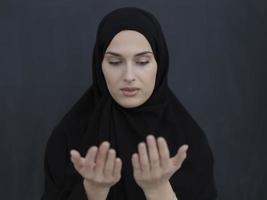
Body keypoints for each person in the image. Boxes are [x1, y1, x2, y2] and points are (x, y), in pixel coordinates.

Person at [41, 6, 218, 200]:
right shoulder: (70, 136)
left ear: (159, 63)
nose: (129, 76)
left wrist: (158, 190)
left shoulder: (189, 142)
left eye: (142, 62)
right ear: (100, 66)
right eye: (115, 62)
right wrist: (93, 191)